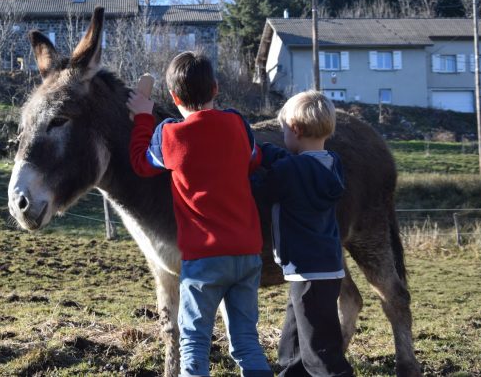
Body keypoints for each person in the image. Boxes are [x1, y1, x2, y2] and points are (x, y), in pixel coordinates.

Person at [126, 51, 273, 377]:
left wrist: (142, 116)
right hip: (248, 255)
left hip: (204, 259)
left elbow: (140, 162)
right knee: (247, 341)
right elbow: (254, 160)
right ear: (216, 89)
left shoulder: (170, 136)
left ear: (174, 97)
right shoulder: (237, 124)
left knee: (194, 342)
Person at [256, 90, 354, 377]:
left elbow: (261, 189)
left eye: (283, 129)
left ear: (295, 130)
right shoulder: (332, 164)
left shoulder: (290, 170)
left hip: (307, 270)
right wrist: (265, 152)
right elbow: (290, 162)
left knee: (319, 353)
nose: (283, 135)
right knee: (294, 342)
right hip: (326, 268)